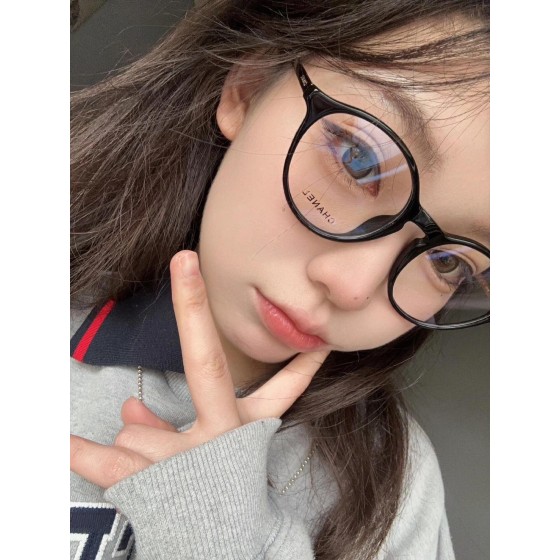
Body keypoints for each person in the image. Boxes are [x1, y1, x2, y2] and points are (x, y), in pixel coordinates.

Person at [69, 0, 489, 558]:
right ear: (248, 85)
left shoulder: (395, 487)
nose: (354, 286)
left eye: (448, 261)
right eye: (359, 161)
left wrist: (222, 536)